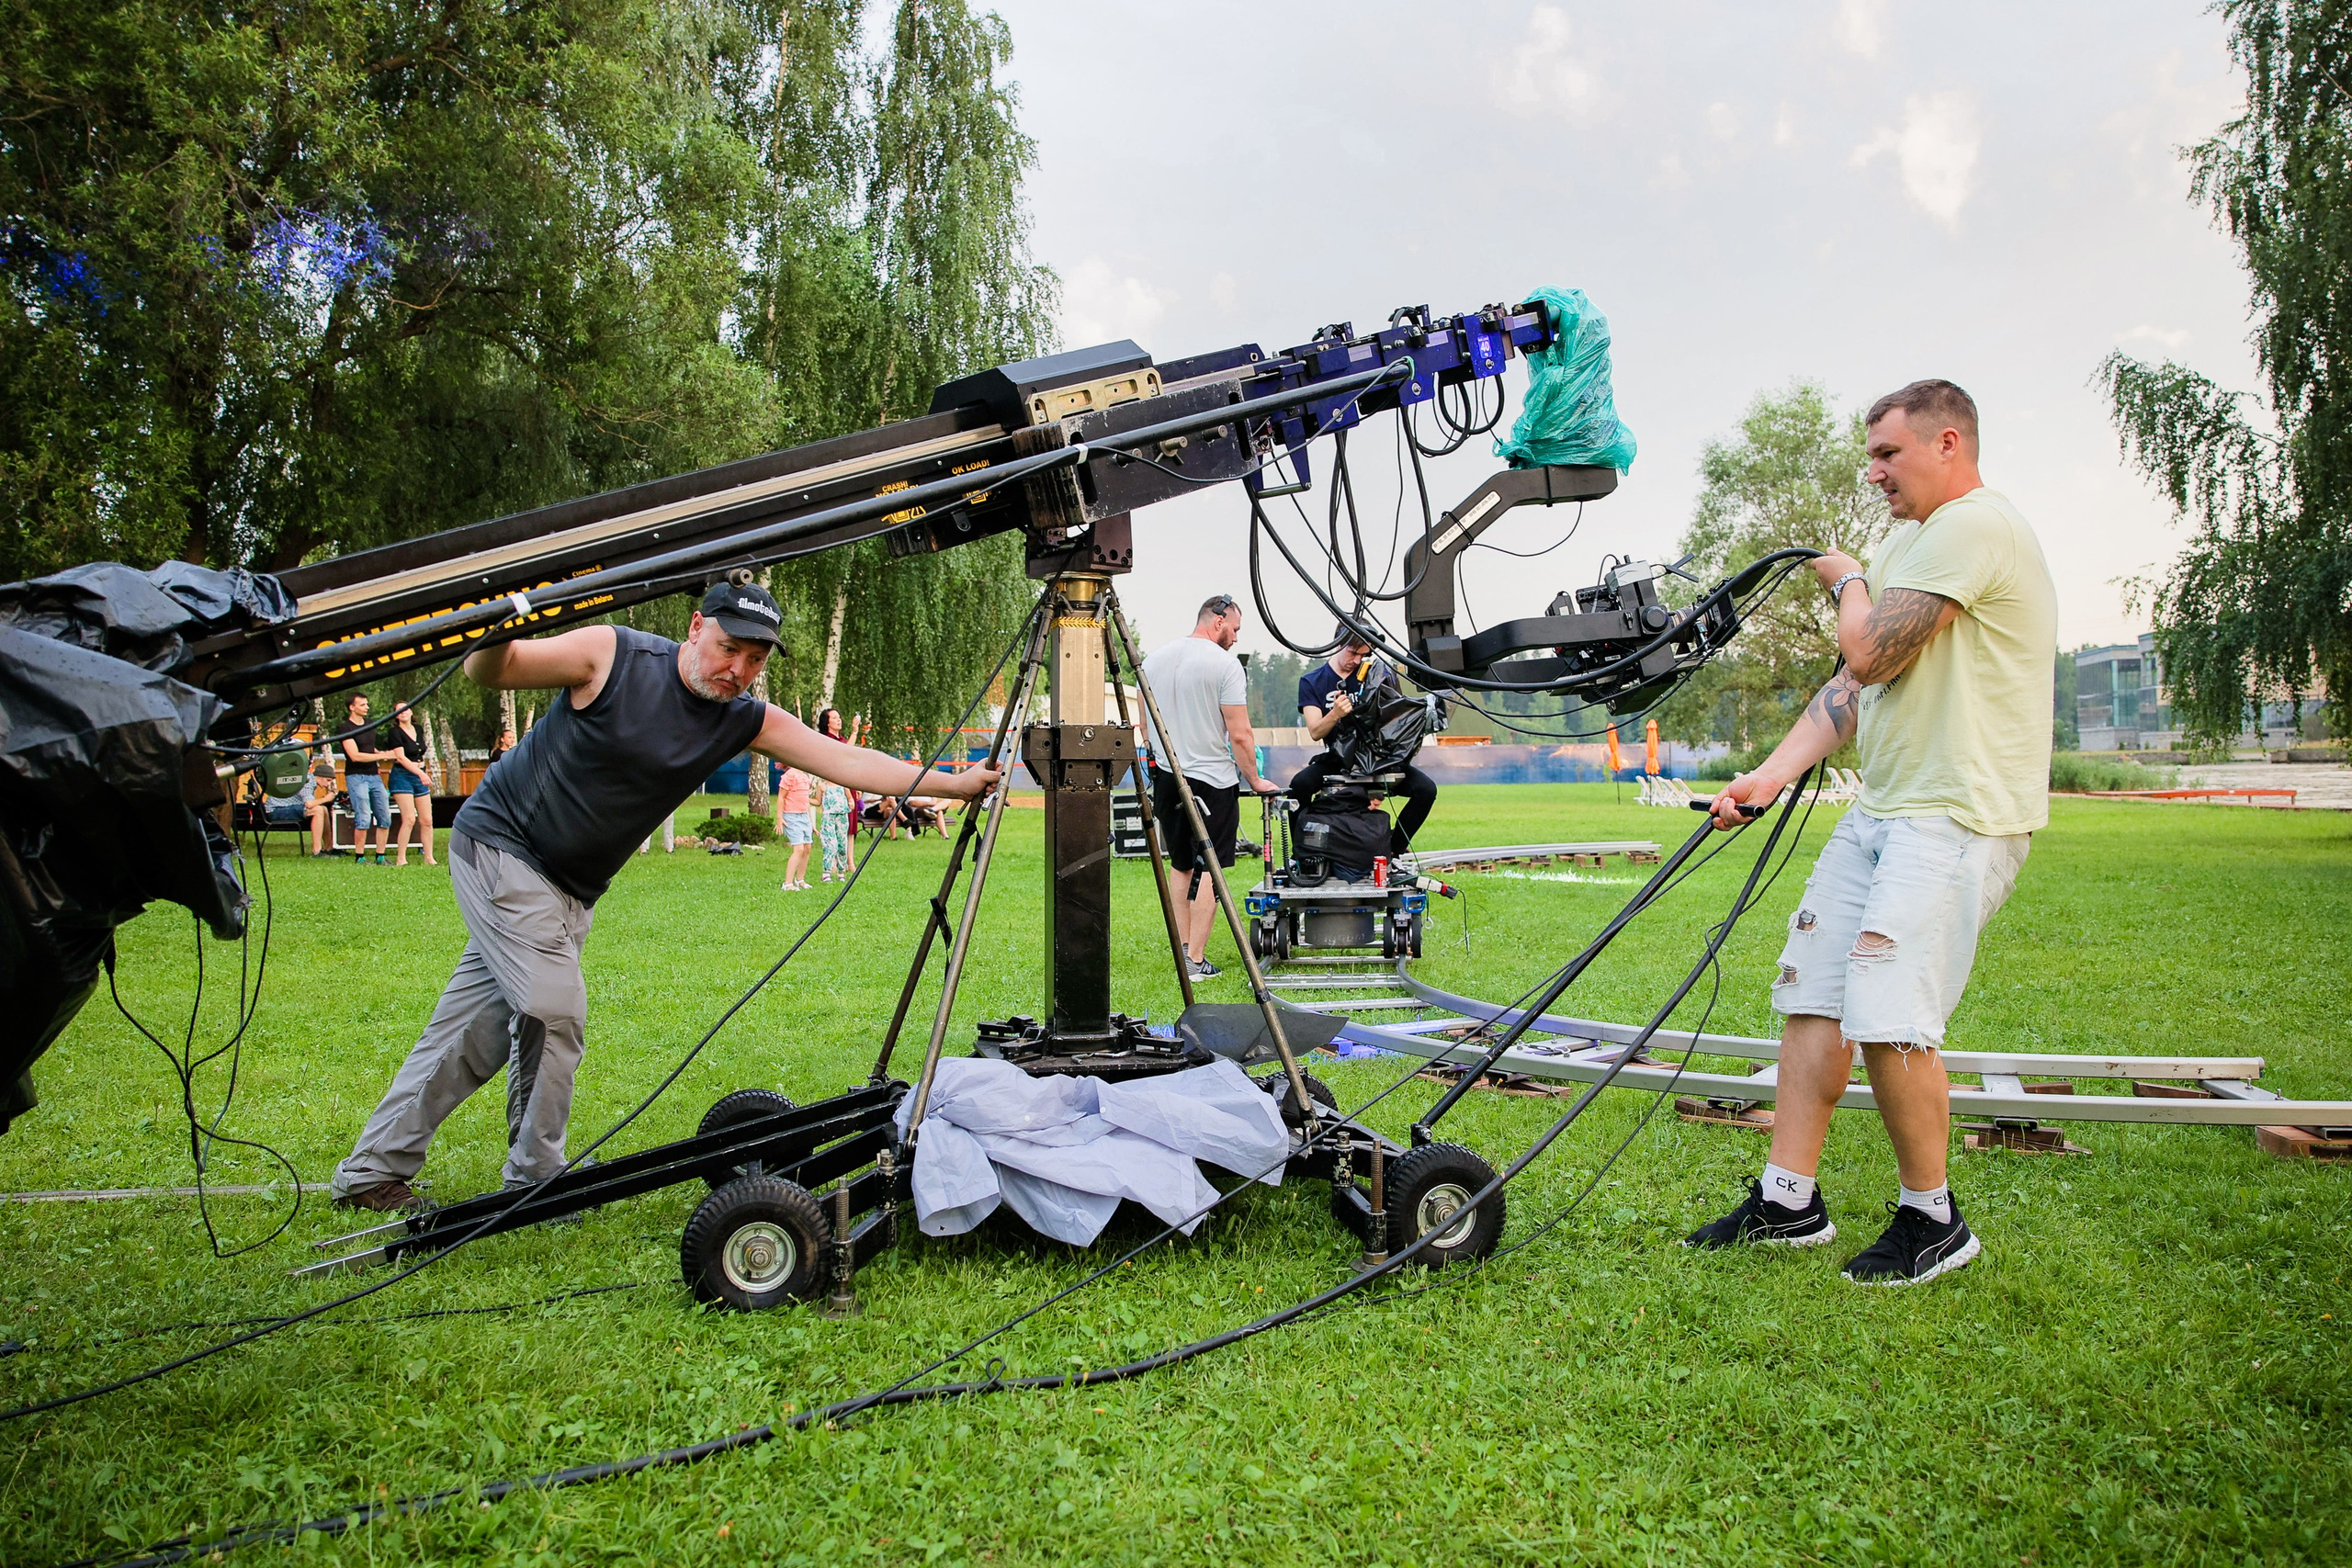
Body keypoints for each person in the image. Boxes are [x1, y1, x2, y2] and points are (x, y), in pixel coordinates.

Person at [328, 580, 998, 1213]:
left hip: (572, 889)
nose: (737, 668)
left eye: (755, 659)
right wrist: (491, 628)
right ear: (696, 627)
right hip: (503, 849)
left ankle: (371, 1172)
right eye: (728, 648)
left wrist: (956, 783)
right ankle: (537, 1179)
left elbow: (843, 759)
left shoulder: (743, 718)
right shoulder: (611, 656)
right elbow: (495, 672)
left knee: (476, 1030)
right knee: (553, 1010)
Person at [1685, 379, 2055, 1287]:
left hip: (1958, 813)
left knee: (1891, 1011)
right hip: (1884, 808)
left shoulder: (1976, 525)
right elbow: (1854, 693)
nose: (1873, 470)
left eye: (1888, 453)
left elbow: (1869, 650)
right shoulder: (1908, 544)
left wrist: (1847, 580)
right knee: (1811, 993)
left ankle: (1932, 1220)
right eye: (1871, 454)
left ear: (1947, 444)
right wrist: (1769, 777)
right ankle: (1788, 1200)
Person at [1139, 593, 1280, 979]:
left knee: (1181, 865)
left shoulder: (1153, 660)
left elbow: (1145, 725)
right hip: (1213, 780)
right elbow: (1240, 734)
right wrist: (1254, 779)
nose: (1235, 638)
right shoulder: (1225, 665)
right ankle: (1196, 961)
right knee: (1211, 870)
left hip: (1169, 777)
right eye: (1234, 629)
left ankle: (1185, 952)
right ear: (1218, 621)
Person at [1291, 626, 1437, 859]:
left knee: (1426, 790)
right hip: (1339, 759)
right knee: (1299, 786)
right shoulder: (1312, 681)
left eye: (1363, 655)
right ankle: (1305, 853)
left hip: (1378, 758)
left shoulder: (1376, 675)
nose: (1357, 660)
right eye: (1352, 653)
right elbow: (1316, 731)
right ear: (1337, 644)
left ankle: (1393, 849)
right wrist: (1335, 714)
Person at [339, 693, 401, 865]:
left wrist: (380, 753)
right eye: (362, 705)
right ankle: (360, 857)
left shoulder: (370, 725)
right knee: (364, 817)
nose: (367, 707)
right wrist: (383, 757)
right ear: (352, 707)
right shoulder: (345, 728)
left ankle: (380, 856)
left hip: (374, 776)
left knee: (384, 816)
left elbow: (368, 747)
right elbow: (355, 756)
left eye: (367, 704)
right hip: (356, 776)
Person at [384, 703, 438, 868]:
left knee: (427, 820)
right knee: (409, 818)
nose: (403, 713)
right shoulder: (394, 732)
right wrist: (420, 773)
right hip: (403, 775)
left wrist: (422, 771)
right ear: (396, 716)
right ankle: (401, 858)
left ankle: (429, 857)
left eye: (406, 709)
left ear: (411, 711)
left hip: (420, 774)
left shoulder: (418, 729)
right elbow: (400, 757)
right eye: (399, 711)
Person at [812, 708, 858, 882]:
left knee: (850, 827)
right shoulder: (827, 740)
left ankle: (849, 862)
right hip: (833, 789)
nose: (839, 720)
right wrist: (855, 732)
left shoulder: (841, 739)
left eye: (840, 717)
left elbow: (850, 759)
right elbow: (844, 753)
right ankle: (831, 866)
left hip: (846, 786)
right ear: (827, 722)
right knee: (831, 832)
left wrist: (856, 784)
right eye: (835, 718)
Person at [776, 764, 814, 891]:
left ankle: (800, 880)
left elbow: (806, 801)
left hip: (804, 816)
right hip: (792, 816)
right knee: (798, 849)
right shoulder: (790, 775)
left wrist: (811, 822)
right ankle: (787, 883)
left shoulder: (805, 776)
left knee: (807, 848)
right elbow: (781, 797)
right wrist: (779, 818)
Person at [304, 748, 341, 856]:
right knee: (318, 810)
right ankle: (316, 851)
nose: (328, 784)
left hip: (291, 807)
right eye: (328, 780)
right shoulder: (308, 781)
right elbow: (308, 804)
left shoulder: (311, 781)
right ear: (319, 777)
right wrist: (326, 799)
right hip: (281, 809)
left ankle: (329, 848)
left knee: (323, 809)